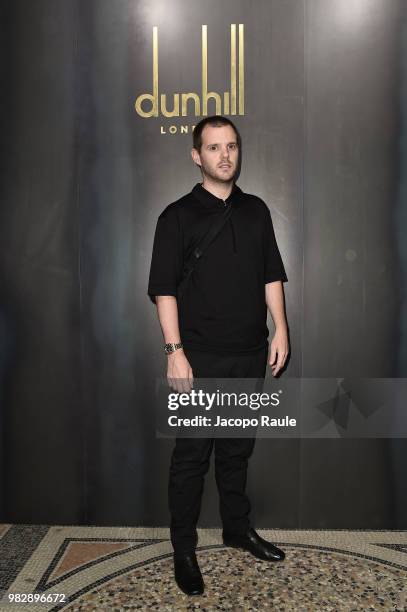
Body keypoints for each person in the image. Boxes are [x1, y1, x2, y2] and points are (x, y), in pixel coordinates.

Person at [147, 115, 289, 596]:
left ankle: (236, 528)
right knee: (191, 457)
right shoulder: (177, 217)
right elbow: (164, 290)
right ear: (196, 156)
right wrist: (175, 353)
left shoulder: (257, 211)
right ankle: (183, 550)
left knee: (236, 449)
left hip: (248, 353)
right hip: (199, 358)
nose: (224, 155)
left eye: (231, 146)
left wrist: (281, 329)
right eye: (213, 148)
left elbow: (272, 275)